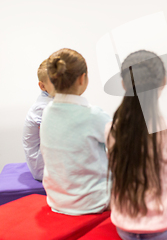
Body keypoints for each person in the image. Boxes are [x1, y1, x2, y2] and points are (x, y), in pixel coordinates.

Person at [106, 50, 167, 240]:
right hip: (164, 230)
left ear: (123, 84)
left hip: (124, 227)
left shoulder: (110, 129)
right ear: (163, 82)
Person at [40, 48, 111, 215]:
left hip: (56, 200)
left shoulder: (47, 112)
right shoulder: (94, 115)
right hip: (93, 202)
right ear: (82, 78)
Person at [23, 59, 56, 181]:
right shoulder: (43, 108)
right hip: (43, 168)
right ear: (42, 86)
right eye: (55, 82)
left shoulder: (51, 100)